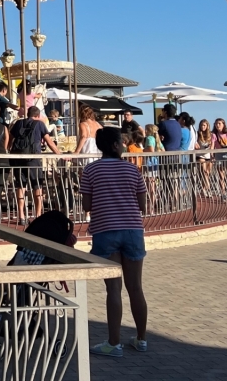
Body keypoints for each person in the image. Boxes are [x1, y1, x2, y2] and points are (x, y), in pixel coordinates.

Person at [82, 127, 149, 358]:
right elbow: (143, 206)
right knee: (136, 287)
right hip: (132, 230)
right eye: (120, 142)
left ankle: (114, 343)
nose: (123, 144)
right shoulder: (132, 170)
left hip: (105, 230)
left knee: (114, 289)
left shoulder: (90, 170)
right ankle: (141, 339)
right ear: (114, 145)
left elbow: (86, 205)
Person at [9, 106, 62, 223]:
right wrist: (60, 154)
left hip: (18, 158)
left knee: (21, 185)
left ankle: (21, 216)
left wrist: (8, 151)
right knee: (37, 185)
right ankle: (38, 215)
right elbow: (49, 142)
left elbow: (10, 138)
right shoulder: (39, 124)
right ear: (38, 116)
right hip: (33, 158)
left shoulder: (18, 123)